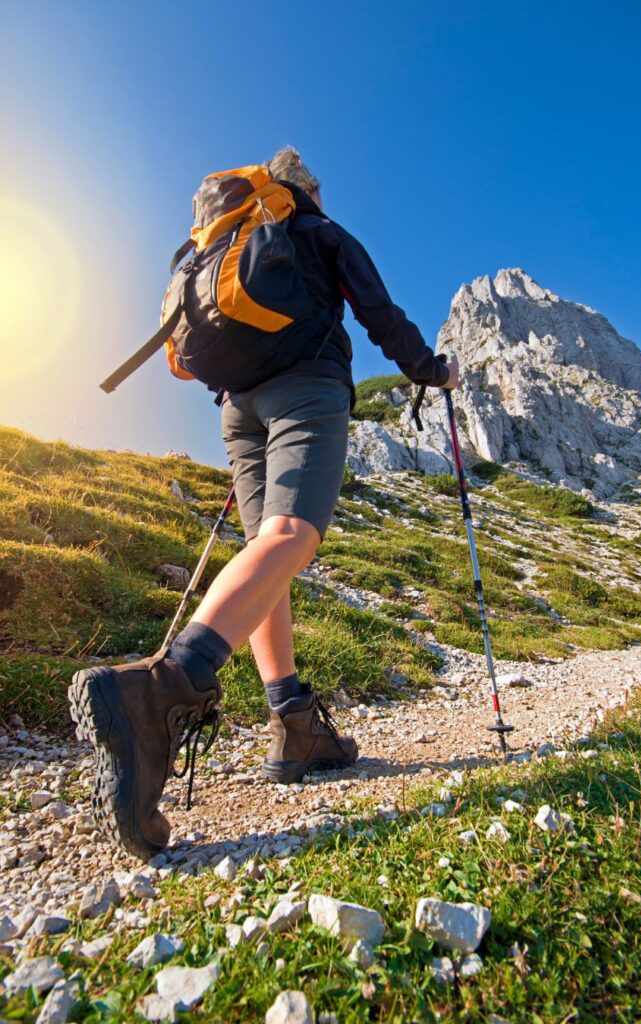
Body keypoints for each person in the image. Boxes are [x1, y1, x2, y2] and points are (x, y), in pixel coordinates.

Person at [69, 146, 460, 860]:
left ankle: (291, 723)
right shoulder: (312, 227)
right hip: (306, 386)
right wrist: (431, 372)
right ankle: (161, 688)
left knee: (265, 553)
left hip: (236, 407)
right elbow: (379, 313)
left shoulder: (216, 247)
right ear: (302, 189)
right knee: (293, 536)